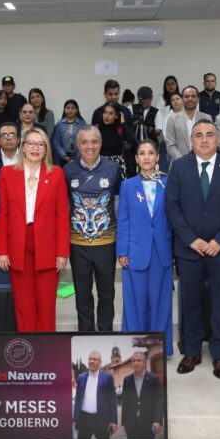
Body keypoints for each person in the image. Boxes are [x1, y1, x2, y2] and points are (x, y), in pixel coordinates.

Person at [165, 121, 220, 379]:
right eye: (198, 135)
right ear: (191, 141)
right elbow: (172, 208)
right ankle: (192, 351)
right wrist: (191, 239)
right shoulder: (179, 167)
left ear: (217, 139)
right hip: (189, 250)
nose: (204, 140)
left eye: (209, 135)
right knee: (190, 302)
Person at [0, 128, 69, 332]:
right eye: (31, 143)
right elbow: (2, 215)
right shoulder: (7, 173)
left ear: (46, 149)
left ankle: (46, 347)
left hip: (48, 245)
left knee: (46, 305)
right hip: (17, 244)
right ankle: (28, 347)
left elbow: (62, 216)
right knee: (23, 304)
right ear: (23, 147)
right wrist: (1, 250)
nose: (35, 148)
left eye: (40, 144)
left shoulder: (56, 174)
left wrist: (62, 252)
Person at [116, 140, 173, 346]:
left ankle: (159, 347)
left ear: (158, 157)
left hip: (161, 250)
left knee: (160, 302)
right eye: (142, 153)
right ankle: (134, 346)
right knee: (135, 302)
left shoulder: (168, 183)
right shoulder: (127, 185)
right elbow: (123, 220)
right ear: (136, 158)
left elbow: (175, 217)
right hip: (135, 251)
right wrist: (122, 251)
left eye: (151, 153)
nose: (146, 157)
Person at [65, 126, 121, 332]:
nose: (90, 146)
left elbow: (118, 204)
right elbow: (64, 206)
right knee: (82, 293)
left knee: (107, 293)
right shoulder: (68, 170)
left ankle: (105, 334)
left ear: (101, 144)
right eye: (85, 142)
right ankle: (85, 335)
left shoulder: (113, 169)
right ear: (78, 145)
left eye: (94, 142)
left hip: (106, 243)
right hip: (77, 244)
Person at [72, 350, 117, 439]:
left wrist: (113, 421)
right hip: (84, 419)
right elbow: (78, 399)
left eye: (95, 359)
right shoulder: (81, 377)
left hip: (101, 419)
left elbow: (112, 400)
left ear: (100, 362)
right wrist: (75, 419)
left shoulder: (107, 377)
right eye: (90, 359)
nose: (92, 361)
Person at [119, 351, 164, 439]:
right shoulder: (127, 380)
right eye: (134, 361)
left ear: (144, 363)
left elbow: (159, 400)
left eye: (139, 360)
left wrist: (157, 420)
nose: (136, 363)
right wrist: (125, 423)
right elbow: (125, 402)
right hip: (131, 424)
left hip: (149, 423)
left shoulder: (153, 378)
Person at [164, 85, 212, 162]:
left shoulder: (207, 118)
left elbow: (211, 142)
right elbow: (170, 146)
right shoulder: (172, 119)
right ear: (182, 99)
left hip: (203, 163)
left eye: (193, 96)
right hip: (180, 164)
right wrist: (184, 162)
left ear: (198, 99)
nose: (190, 99)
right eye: (186, 96)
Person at [97, 103, 136, 178]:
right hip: (101, 165)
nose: (106, 116)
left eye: (111, 113)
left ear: (117, 116)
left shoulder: (120, 129)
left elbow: (132, 140)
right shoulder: (97, 129)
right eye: (105, 112)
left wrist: (123, 123)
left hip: (117, 166)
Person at [52, 99, 87, 165]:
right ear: (64, 110)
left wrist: (78, 155)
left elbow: (85, 141)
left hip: (79, 157)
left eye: (73, 108)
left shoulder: (82, 124)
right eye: (68, 108)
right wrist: (63, 155)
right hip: (63, 158)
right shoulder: (59, 124)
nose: (70, 110)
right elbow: (56, 142)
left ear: (77, 110)